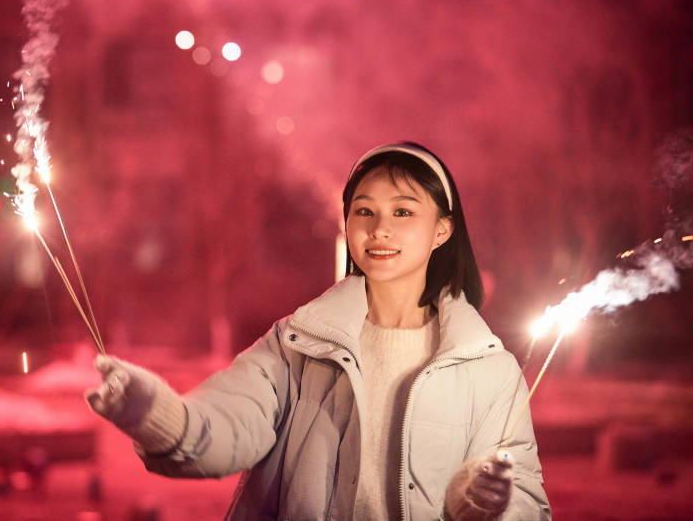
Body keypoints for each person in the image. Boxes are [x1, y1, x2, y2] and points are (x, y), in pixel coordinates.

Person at [86, 142, 551, 520]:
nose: (379, 229)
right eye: (364, 212)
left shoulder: (486, 368)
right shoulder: (298, 344)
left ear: (442, 230)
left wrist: (487, 505)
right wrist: (156, 412)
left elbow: (527, 499)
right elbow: (228, 425)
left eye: (404, 212)